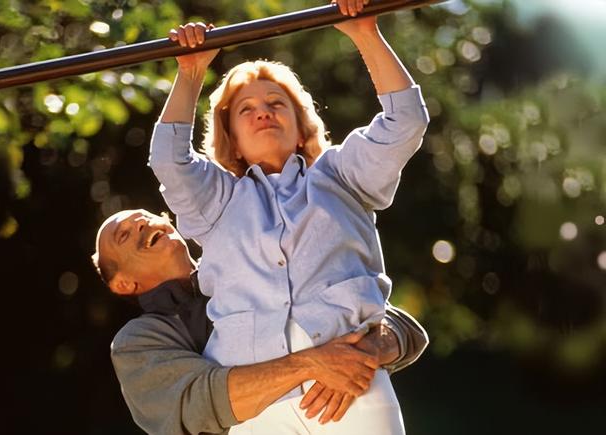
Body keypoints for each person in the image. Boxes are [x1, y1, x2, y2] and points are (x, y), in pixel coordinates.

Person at [149, 0, 429, 432]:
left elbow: (405, 121)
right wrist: (190, 74)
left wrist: (364, 33)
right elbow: (169, 160)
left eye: (277, 103)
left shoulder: (342, 176)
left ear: (302, 130)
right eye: (246, 109)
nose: (263, 111)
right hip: (258, 402)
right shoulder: (216, 200)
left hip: (350, 384)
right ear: (234, 142)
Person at [93, 209, 429, 435]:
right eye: (123, 235)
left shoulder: (250, 271)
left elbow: (403, 326)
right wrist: (312, 364)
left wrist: (366, 349)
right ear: (123, 284)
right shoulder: (137, 342)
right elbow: (201, 403)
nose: (140, 224)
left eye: (148, 217)